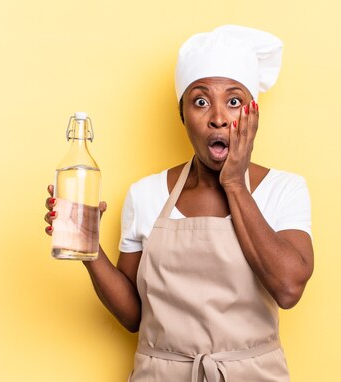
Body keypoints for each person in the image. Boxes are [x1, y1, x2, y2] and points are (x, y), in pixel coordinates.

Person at [44, 25, 314, 382]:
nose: (218, 117)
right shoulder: (145, 194)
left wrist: (234, 183)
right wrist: (89, 250)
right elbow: (134, 316)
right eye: (200, 101)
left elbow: (288, 288)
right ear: (182, 114)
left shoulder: (284, 189)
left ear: (252, 115)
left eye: (234, 101)